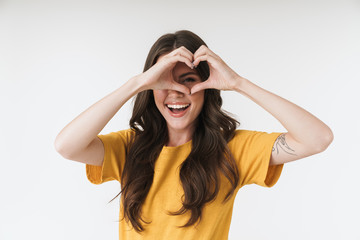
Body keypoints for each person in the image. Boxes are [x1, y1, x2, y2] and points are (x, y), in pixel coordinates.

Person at [54, 30, 333, 239]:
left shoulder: (233, 149)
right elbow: (66, 146)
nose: (176, 92)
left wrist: (238, 83)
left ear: (207, 87)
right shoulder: (129, 147)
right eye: (164, 80)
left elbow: (317, 138)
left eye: (188, 80)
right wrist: (137, 83)